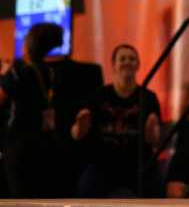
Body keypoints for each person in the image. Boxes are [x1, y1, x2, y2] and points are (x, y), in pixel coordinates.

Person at [70, 43, 162, 197]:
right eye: (122, 59)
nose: (127, 62)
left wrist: (152, 132)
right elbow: (75, 134)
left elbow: (156, 141)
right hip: (103, 165)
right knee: (85, 185)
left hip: (138, 165)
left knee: (156, 187)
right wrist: (79, 128)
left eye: (132, 59)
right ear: (113, 65)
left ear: (138, 65)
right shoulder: (98, 95)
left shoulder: (149, 97)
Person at [0, 22, 65, 198]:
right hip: (46, 145)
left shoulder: (17, 71)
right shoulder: (51, 73)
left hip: (18, 146)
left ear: (29, 44)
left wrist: (5, 75)